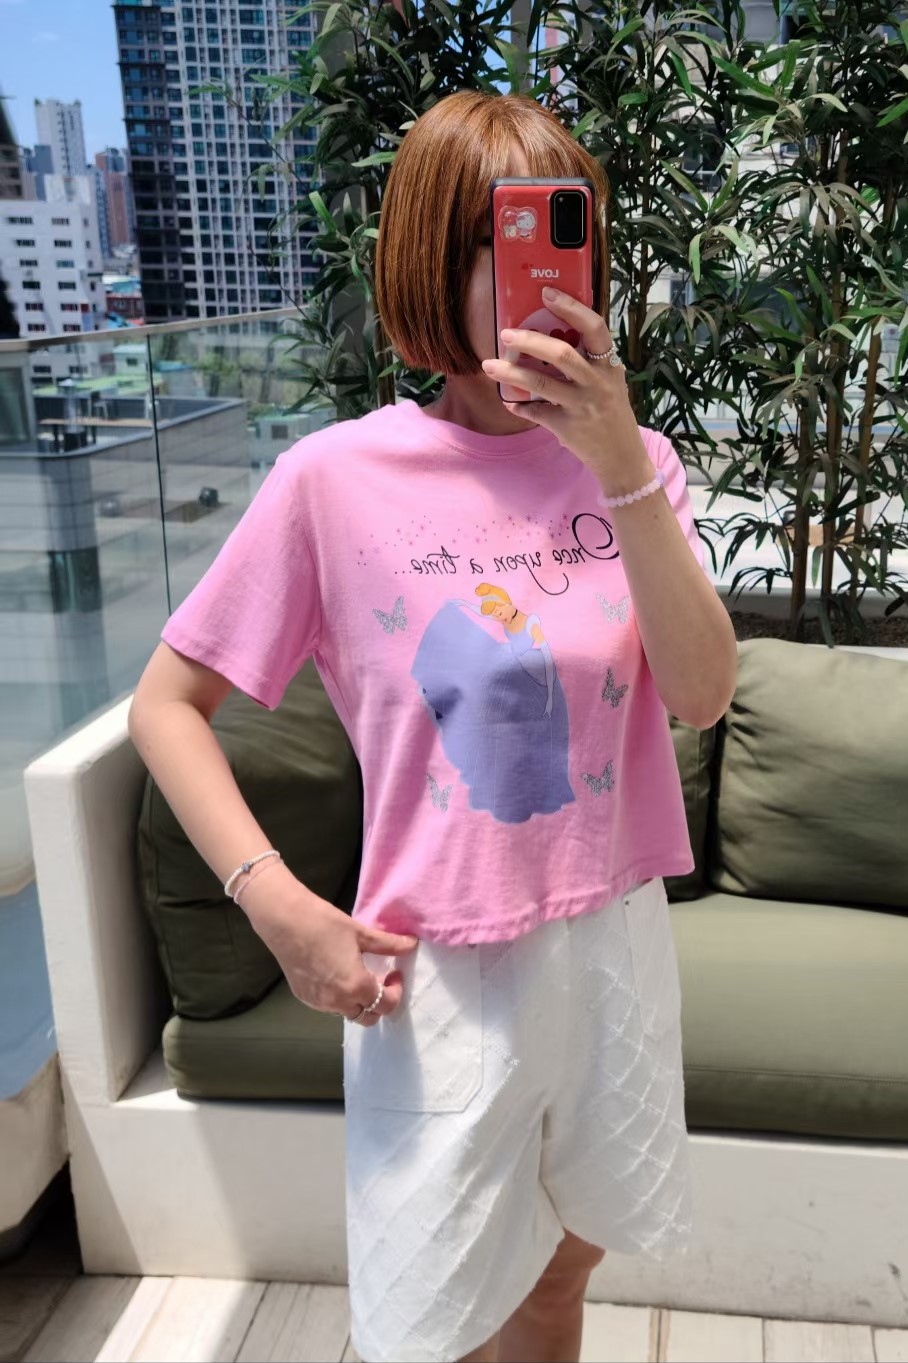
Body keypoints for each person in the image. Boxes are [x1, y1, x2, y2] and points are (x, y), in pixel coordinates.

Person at [128, 89, 738, 1363]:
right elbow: (166, 706)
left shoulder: (637, 463)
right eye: (498, 243)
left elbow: (699, 693)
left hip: (611, 938)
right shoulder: (333, 480)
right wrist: (278, 906)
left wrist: (618, 462)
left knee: (560, 1280)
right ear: (426, 260)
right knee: (433, 1323)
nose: (539, 282)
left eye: (564, 237)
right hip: (441, 974)